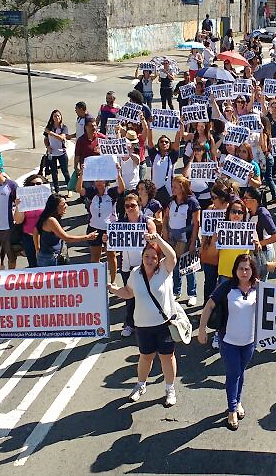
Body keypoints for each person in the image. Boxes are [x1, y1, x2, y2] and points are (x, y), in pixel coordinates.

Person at [107, 232, 182, 406]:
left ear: (158, 259)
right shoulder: (135, 273)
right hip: (142, 325)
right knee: (145, 357)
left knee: (167, 357)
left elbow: (172, 255)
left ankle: (170, 389)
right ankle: (141, 385)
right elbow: (128, 292)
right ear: (141, 257)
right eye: (146, 256)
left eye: (154, 257)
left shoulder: (165, 269)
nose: (149, 260)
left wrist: (158, 240)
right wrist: (113, 289)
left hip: (164, 324)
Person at [197, 253, 261, 430]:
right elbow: (209, 305)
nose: (244, 272)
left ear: (253, 270)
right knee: (233, 374)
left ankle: (238, 401)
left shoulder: (259, 288)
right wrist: (202, 329)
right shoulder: (226, 287)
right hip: (229, 341)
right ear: (235, 270)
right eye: (240, 268)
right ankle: (232, 410)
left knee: (241, 372)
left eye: (247, 269)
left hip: (249, 342)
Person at [107, 192, 157, 337]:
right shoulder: (120, 224)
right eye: (127, 206)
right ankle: (130, 324)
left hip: (145, 266)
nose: (130, 208)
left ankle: (147, 323)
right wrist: (107, 238)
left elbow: (154, 242)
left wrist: (151, 237)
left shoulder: (147, 222)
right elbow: (113, 242)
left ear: (139, 205)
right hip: (127, 266)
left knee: (146, 295)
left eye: (133, 205)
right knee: (130, 297)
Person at [76, 160, 126, 264]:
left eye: (101, 180)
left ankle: (112, 281)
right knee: (95, 257)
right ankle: (96, 280)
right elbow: (79, 189)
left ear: (106, 181)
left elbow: (122, 188)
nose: (99, 183)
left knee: (111, 256)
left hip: (110, 228)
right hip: (94, 228)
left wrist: (118, 173)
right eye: (96, 181)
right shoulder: (91, 192)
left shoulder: (111, 192)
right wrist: (82, 173)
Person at [164, 175, 201, 305]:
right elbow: (166, 216)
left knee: (188, 266)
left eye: (175, 187)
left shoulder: (192, 202)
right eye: (172, 186)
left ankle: (192, 293)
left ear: (183, 187)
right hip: (172, 237)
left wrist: (192, 242)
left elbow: (196, 223)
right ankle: (176, 291)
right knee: (175, 264)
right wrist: (165, 230)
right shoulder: (172, 201)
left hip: (186, 237)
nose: (172, 189)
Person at [43, 110, 73, 194]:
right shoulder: (49, 127)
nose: (57, 118)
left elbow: (62, 138)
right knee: (54, 173)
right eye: (55, 116)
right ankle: (56, 190)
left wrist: (51, 133)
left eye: (58, 116)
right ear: (52, 117)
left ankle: (69, 189)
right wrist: (47, 146)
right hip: (52, 153)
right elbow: (45, 139)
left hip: (62, 153)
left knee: (65, 171)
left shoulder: (63, 127)